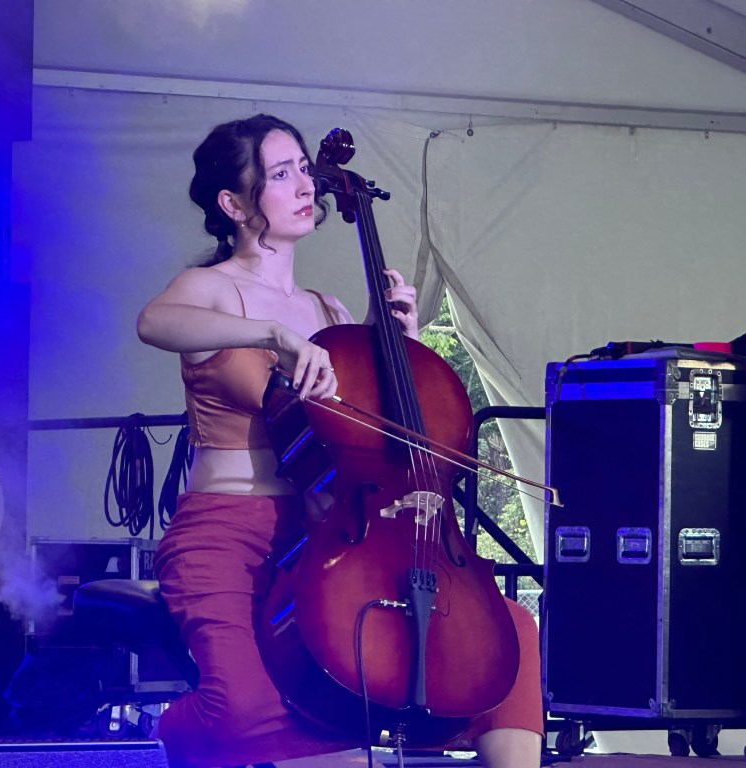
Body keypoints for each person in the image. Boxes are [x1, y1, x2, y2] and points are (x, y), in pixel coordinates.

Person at [136, 114, 543, 768]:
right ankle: (170, 736)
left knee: (505, 639)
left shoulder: (330, 311)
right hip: (225, 532)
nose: (305, 183)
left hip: (328, 529)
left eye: (303, 166)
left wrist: (394, 340)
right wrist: (269, 332)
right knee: (245, 705)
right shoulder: (208, 287)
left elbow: (363, 433)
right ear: (234, 204)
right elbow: (152, 322)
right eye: (279, 173)